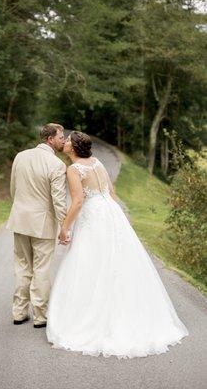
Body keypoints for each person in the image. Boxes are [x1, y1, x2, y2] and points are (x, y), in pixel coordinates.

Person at [46, 131, 189, 358]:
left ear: (73, 148)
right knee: (117, 261)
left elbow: (78, 201)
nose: (65, 142)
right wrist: (118, 219)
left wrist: (64, 228)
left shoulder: (73, 169)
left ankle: (92, 319)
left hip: (93, 214)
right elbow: (111, 193)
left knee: (90, 262)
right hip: (111, 213)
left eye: (68, 141)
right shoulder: (98, 163)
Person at [6, 123, 67, 328]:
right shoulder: (57, 165)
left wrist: (21, 208)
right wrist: (64, 226)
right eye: (61, 136)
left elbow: (14, 189)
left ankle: (19, 312)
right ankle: (40, 316)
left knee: (22, 266)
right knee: (41, 269)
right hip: (43, 224)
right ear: (50, 139)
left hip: (20, 219)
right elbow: (59, 201)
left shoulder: (20, 156)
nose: (63, 140)